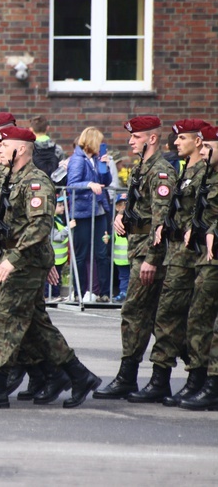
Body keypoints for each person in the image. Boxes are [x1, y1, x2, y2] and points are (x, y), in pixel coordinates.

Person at [0, 126, 100, 410]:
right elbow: (8, 219)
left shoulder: (36, 182)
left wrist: (12, 258)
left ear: (22, 149)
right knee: (36, 326)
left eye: (5, 146)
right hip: (15, 258)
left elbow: (39, 226)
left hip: (26, 262)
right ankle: (79, 375)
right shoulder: (10, 179)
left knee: (5, 320)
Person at [94, 116, 176, 400]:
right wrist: (122, 216)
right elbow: (139, 205)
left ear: (152, 139)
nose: (130, 141)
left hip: (149, 253)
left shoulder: (161, 171)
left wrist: (152, 258)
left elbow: (161, 219)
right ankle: (174, 377)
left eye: (136, 137)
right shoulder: (142, 168)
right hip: (137, 247)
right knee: (154, 318)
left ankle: (130, 377)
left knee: (134, 313)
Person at [127, 119, 209, 404]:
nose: (176, 143)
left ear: (198, 142)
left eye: (182, 138)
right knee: (170, 318)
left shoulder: (200, 174)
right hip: (176, 256)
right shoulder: (186, 172)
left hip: (191, 258)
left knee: (186, 319)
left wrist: (153, 255)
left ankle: (194, 379)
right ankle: (165, 379)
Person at [178, 125, 218, 410]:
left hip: (212, 255)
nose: (202, 152)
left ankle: (210, 384)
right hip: (206, 255)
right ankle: (201, 379)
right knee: (199, 319)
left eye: (207, 147)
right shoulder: (208, 175)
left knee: (207, 321)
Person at [66, 126, 113, 302]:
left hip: (99, 211)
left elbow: (106, 182)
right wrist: (88, 184)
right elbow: (72, 184)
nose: (101, 146)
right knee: (82, 253)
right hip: (82, 212)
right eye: (99, 142)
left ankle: (103, 292)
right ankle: (79, 290)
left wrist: (105, 167)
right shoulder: (78, 160)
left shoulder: (94, 159)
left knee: (102, 252)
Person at [47, 195, 74, 302]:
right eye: (59, 205)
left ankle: (56, 294)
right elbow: (57, 237)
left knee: (57, 277)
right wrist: (68, 228)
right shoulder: (52, 221)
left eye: (63, 205)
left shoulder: (59, 220)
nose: (63, 207)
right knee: (52, 277)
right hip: (54, 257)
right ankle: (50, 295)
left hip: (60, 258)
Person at [111, 194, 129, 303]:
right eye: (120, 205)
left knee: (130, 277)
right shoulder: (114, 222)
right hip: (120, 258)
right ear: (117, 207)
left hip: (130, 255)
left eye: (126, 204)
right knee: (123, 277)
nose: (123, 207)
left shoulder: (131, 221)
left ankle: (127, 294)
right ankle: (123, 293)